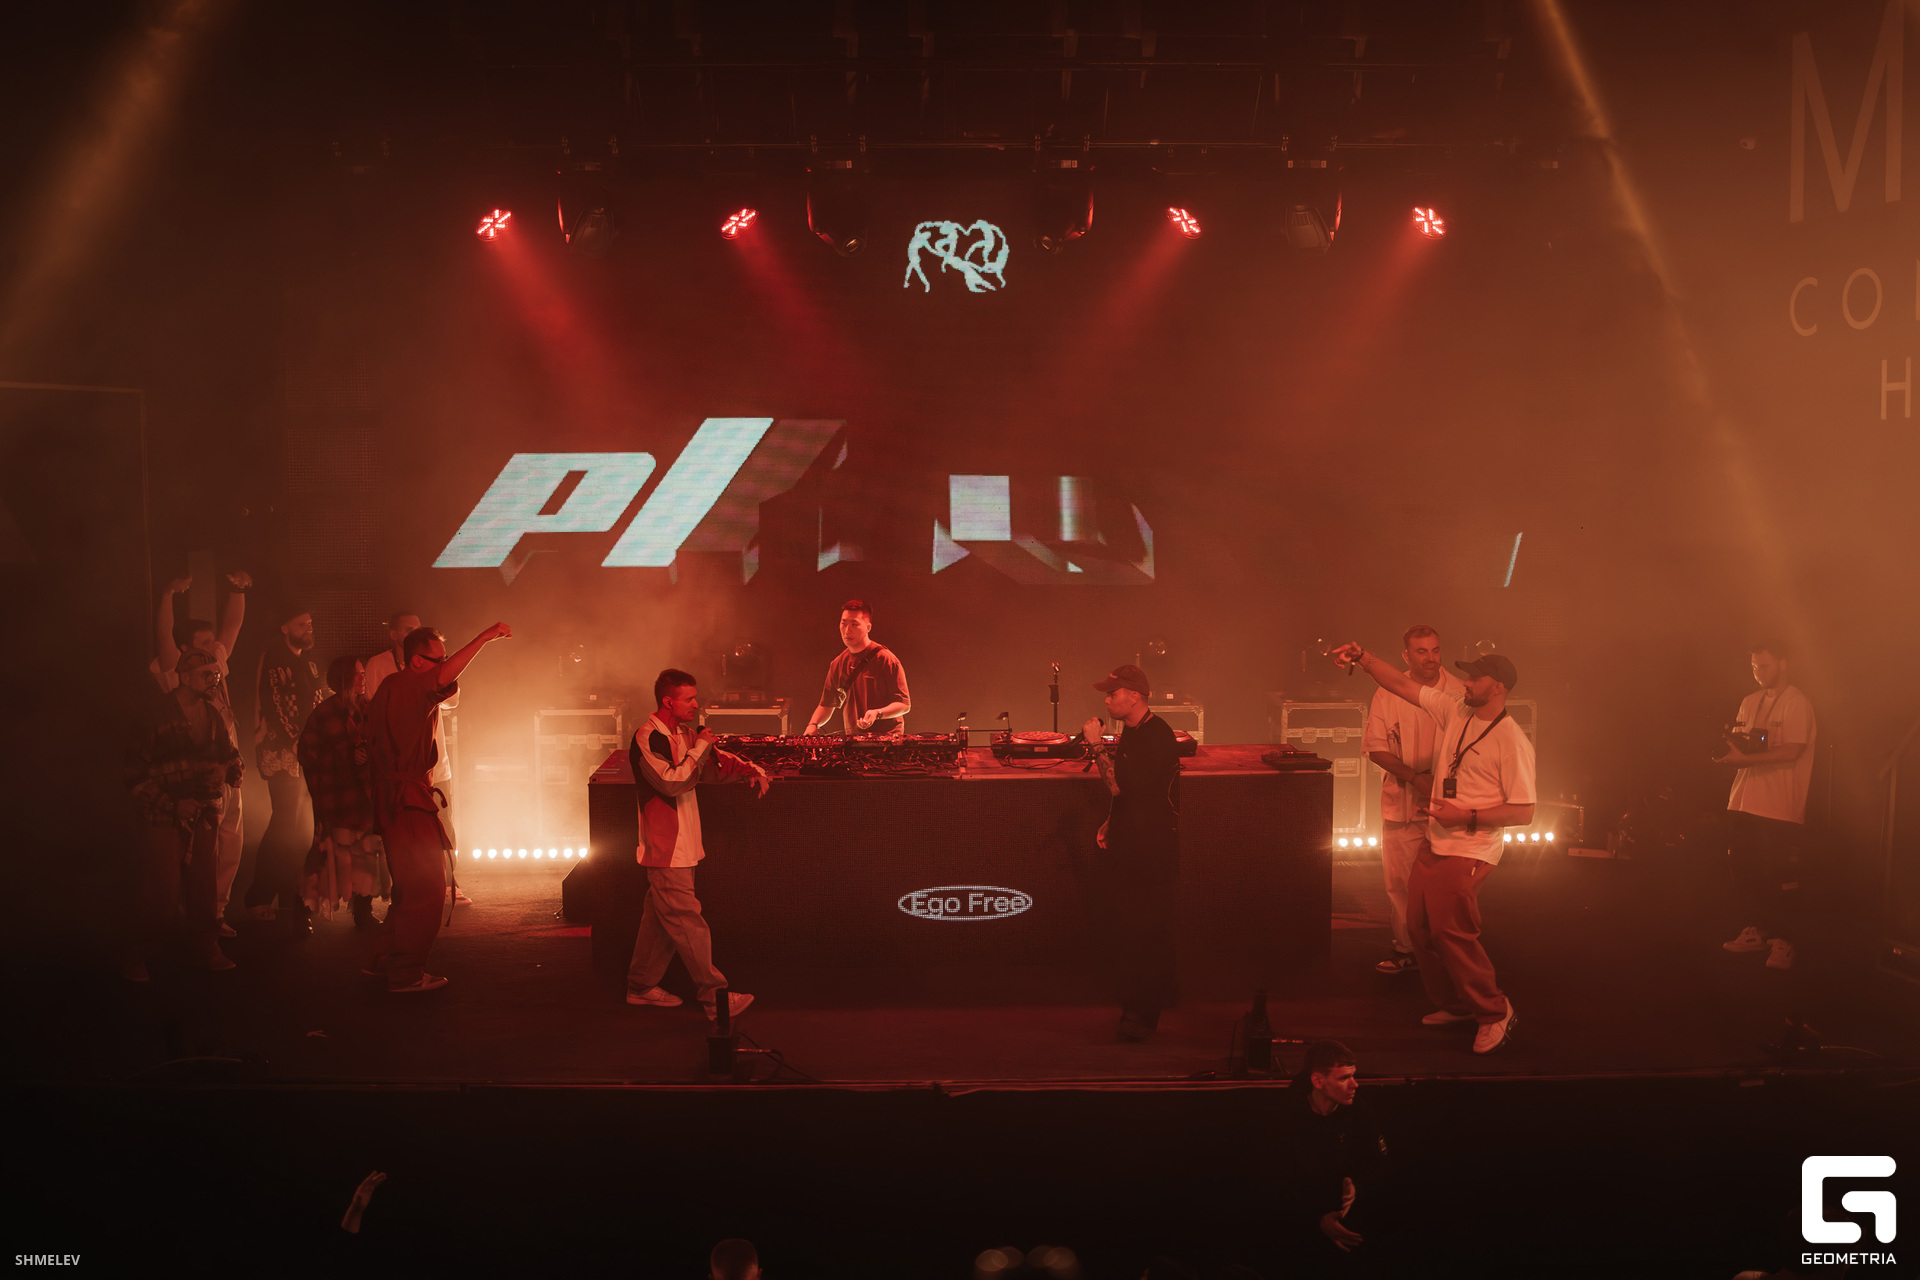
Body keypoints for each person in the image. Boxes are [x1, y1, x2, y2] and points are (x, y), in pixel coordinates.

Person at [1332, 643, 1534, 1054]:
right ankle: (1457, 1005)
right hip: (1437, 839)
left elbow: (1524, 811)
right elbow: (1400, 684)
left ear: (1497, 686)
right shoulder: (1456, 709)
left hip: (1470, 848)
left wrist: (1466, 816)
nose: (1466, 682)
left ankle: (1494, 1011)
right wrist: (1363, 658)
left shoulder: (1511, 741)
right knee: (1419, 927)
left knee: (1450, 931)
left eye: (1475, 677)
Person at [365, 623, 512, 992]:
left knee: (408, 886)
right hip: (407, 799)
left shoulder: (390, 687)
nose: (445, 667)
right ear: (417, 661)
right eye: (438, 660)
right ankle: (406, 973)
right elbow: (445, 677)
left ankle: (384, 959)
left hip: (393, 796)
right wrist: (483, 638)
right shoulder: (411, 686)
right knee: (426, 888)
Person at [625, 668, 770, 1022]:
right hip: (665, 849)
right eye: (689, 699)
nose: (696, 704)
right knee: (689, 924)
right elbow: (672, 783)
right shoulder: (647, 737)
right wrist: (701, 747)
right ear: (668, 701)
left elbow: (712, 765)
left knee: (661, 923)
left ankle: (640, 987)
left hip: (683, 847)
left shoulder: (686, 735)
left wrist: (750, 769)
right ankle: (715, 999)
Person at [124, 650, 245, 978]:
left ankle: (205, 948)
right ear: (185, 676)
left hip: (204, 815)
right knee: (161, 892)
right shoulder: (155, 714)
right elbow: (133, 775)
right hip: (163, 818)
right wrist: (173, 805)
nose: (214, 681)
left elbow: (231, 755)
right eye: (207, 674)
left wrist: (230, 771)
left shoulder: (213, 715)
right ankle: (136, 954)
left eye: (216, 675)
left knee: (205, 888)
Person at [1080, 663, 1181, 1042]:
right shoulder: (1134, 731)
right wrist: (1112, 821)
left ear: (1135, 695)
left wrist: (1094, 744)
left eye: (1113, 693)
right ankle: (1152, 999)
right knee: (1134, 924)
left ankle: (1142, 1015)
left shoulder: (1155, 735)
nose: (1107, 700)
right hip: (1135, 838)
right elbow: (1131, 792)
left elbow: (1119, 785)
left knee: (1145, 928)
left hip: (1151, 845)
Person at [150, 571, 251, 934]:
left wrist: (237, 590)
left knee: (231, 838)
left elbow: (232, 628)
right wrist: (167, 594)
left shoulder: (214, 664)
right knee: (195, 849)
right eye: (205, 642)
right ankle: (186, 916)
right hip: (194, 773)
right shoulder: (176, 670)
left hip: (226, 764)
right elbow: (163, 636)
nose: (215, 647)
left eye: (212, 642)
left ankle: (216, 911)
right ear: (185, 649)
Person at [1361, 626, 1463, 975]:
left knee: (1448, 887)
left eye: (1435, 650)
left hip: (1448, 806)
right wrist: (1415, 777)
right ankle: (1406, 949)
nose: (1431, 658)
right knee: (1400, 884)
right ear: (1406, 656)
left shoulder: (1459, 692)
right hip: (1403, 801)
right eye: (1422, 651)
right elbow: (1375, 748)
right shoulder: (1388, 692)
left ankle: (1449, 953)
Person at [1717, 639, 1817, 973]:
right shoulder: (1749, 701)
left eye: (1764, 666)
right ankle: (1756, 931)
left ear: (1783, 664)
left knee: (1781, 877)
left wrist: (1744, 758)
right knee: (1745, 872)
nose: (1758, 672)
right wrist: (1727, 751)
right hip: (1743, 799)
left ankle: (1785, 942)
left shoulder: (1796, 703)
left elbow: (1792, 751)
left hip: (1779, 805)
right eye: (1754, 666)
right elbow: (1741, 744)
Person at [245, 604, 327, 932]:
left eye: (310, 622)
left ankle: (290, 896)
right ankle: (260, 896)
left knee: (300, 827)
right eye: (301, 623)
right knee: (283, 823)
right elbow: (273, 704)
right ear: (285, 628)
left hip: (307, 751)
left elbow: (317, 699)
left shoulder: (308, 661)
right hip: (283, 753)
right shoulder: (274, 659)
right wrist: (294, 740)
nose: (308, 628)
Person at [1278, 1041, 1388, 1275]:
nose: (1355, 1084)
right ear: (1318, 1081)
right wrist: (1317, 1218)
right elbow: (1277, 1182)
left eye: (1353, 1075)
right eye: (1344, 1078)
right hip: (1297, 1226)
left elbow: (1381, 1160)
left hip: (1351, 1216)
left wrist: (1357, 1185)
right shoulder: (1286, 1119)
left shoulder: (1358, 1110)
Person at [365, 611, 463, 861]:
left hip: (436, 766)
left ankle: (449, 877)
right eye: (409, 629)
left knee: (443, 828)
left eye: (418, 627)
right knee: (405, 838)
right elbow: (372, 711)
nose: (415, 631)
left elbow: (452, 701)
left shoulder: (436, 670)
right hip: (401, 771)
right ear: (393, 634)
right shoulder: (379, 666)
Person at [299, 654, 381, 930]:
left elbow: (377, 743)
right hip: (335, 797)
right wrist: (346, 756)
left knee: (365, 853)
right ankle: (302, 910)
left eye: (363, 672)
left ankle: (363, 910)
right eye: (356, 673)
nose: (362, 677)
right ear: (342, 678)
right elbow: (306, 754)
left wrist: (366, 754)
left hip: (363, 797)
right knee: (325, 854)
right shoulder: (324, 713)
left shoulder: (368, 708)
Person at [800, 599, 911, 737]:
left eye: (854, 624)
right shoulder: (837, 663)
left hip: (887, 740)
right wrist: (813, 724)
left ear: (868, 627)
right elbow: (827, 705)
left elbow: (904, 704)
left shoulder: (886, 660)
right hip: (853, 740)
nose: (847, 630)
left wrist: (878, 713)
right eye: (843, 623)